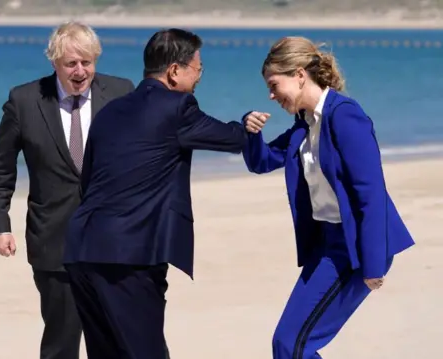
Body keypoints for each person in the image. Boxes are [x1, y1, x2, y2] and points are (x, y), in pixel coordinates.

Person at [62, 28, 248, 359]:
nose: (199, 76)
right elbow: (232, 138)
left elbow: (87, 181)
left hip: (81, 249)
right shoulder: (178, 107)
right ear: (175, 71)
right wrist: (247, 124)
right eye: (198, 68)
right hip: (128, 256)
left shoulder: (109, 111)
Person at [241, 36, 415, 358]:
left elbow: (371, 194)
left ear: (299, 75)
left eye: (273, 84)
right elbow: (262, 161)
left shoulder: (345, 116)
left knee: (293, 345)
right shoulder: (304, 125)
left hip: (355, 247)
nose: (271, 95)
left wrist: (373, 264)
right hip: (327, 245)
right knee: (287, 344)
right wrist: (250, 133)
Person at [0, 21, 135, 359]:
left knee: (115, 338)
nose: (81, 71)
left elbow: (145, 152)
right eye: (72, 64)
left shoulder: (122, 92)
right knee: (61, 342)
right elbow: (1, 168)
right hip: (54, 242)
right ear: (54, 62)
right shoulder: (24, 100)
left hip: (114, 241)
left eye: (88, 62)